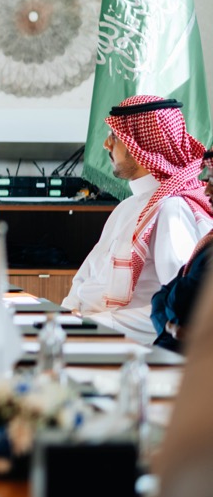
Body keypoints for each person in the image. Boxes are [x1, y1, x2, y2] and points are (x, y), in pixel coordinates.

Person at [63, 95, 213, 344]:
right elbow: (85, 277)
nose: (106, 145)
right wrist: (65, 316)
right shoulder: (126, 207)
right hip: (85, 333)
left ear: (139, 145)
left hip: (125, 346)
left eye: (114, 136)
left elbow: (176, 311)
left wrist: (90, 325)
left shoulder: (171, 208)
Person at [150, 150, 213, 352]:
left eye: (212, 181)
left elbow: (180, 303)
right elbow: (161, 298)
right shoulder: (208, 243)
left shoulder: (173, 207)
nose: (207, 191)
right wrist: (170, 327)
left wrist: (174, 323)